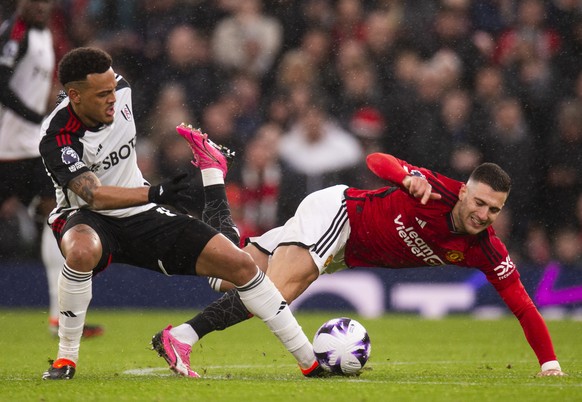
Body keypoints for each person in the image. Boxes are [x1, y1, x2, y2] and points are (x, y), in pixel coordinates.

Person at [156, 137, 566, 378]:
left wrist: (549, 365)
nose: (483, 215)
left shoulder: (486, 248)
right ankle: (184, 338)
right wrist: (405, 177)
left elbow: (523, 307)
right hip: (339, 215)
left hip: (341, 253)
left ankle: (212, 172)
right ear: (464, 192)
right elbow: (375, 161)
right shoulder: (434, 189)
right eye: (479, 203)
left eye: (493, 210)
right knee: (276, 292)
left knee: (227, 273)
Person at [39, 47, 318, 380]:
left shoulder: (123, 90)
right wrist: (154, 192)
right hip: (86, 218)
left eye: (113, 89)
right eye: (102, 95)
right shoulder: (55, 136)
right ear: (74, 96)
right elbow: (93, 196)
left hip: (141, 213)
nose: (113, 99)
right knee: (82, 250)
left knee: (240, 265)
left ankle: (310, 361)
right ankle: (65, 359)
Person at [0, 0, 102, 337]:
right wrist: (33, 116)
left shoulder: (45, 34)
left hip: (32, 148)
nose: (42, 6)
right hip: (6, 149)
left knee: (55, 215)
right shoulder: (15, 33)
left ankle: (60, 316)